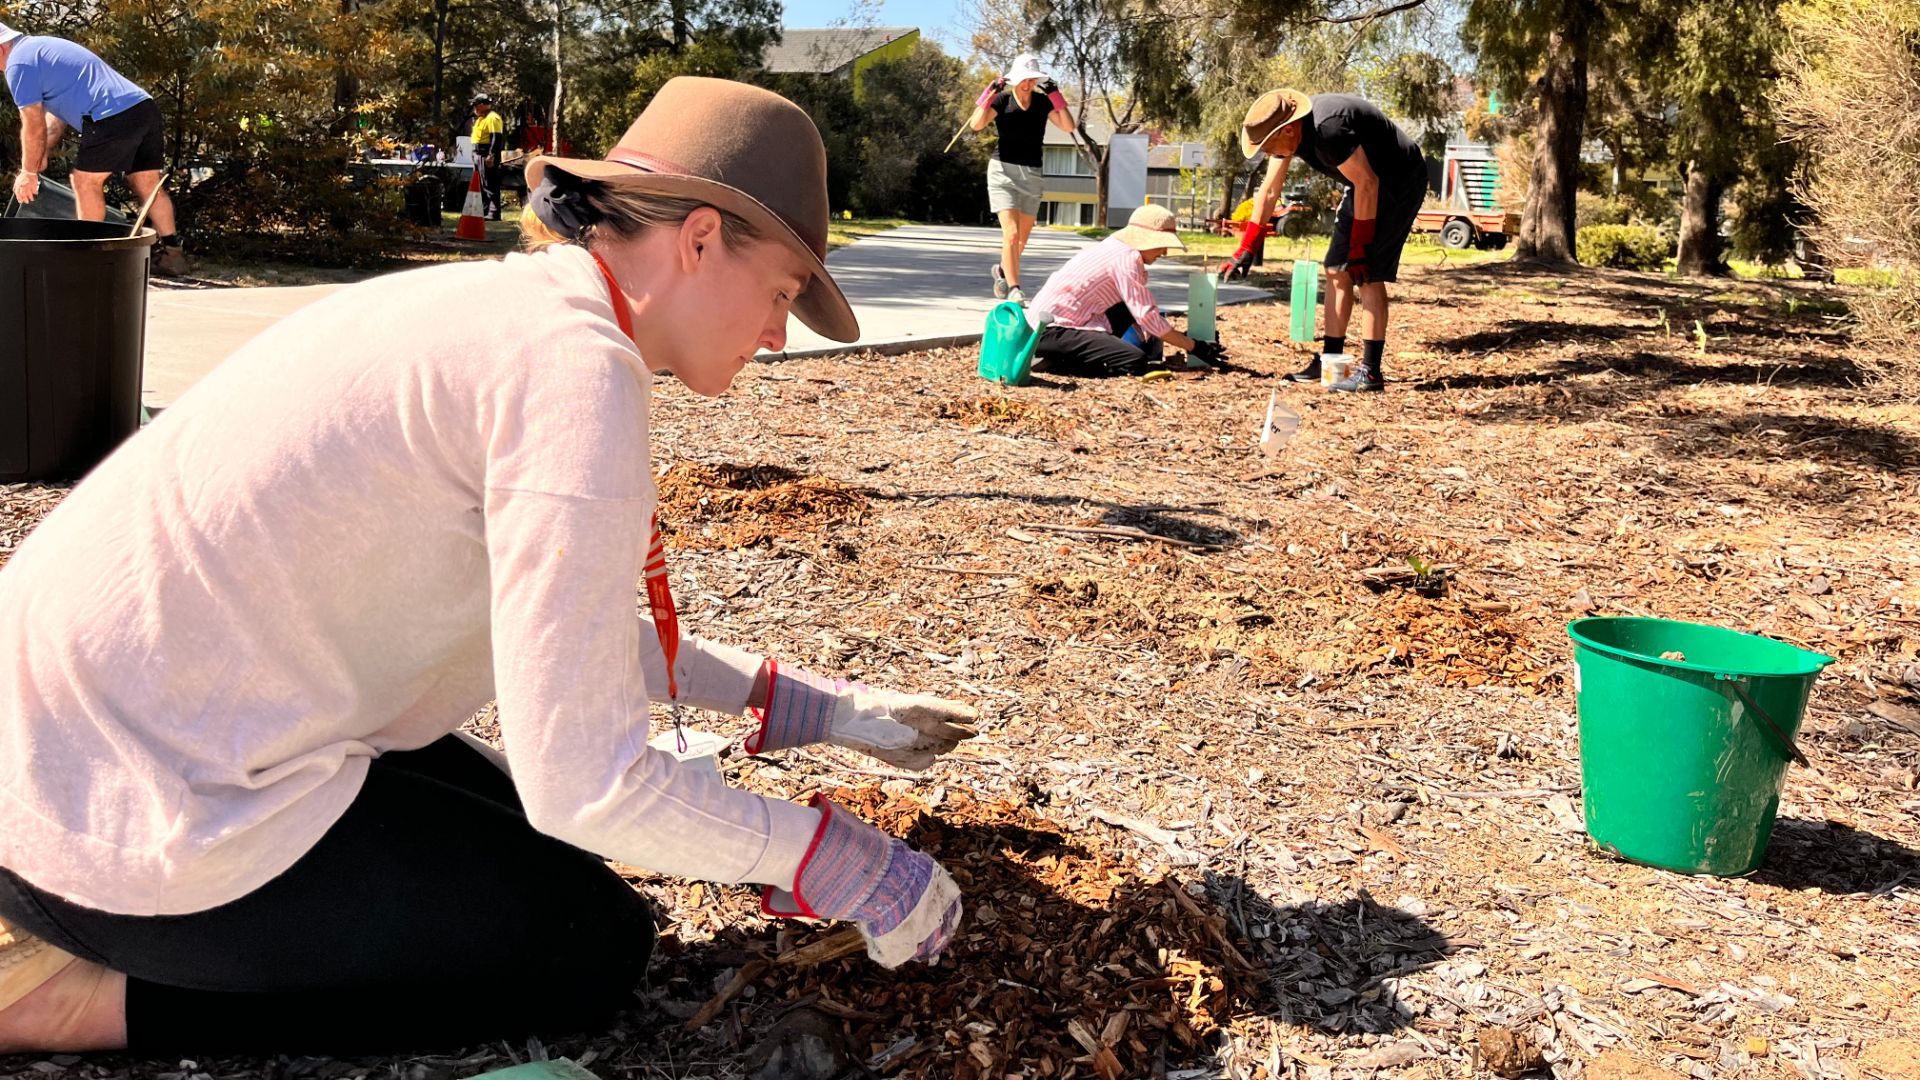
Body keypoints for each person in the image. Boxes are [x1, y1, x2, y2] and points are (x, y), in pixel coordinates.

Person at [0, 77, 975, 1058]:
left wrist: (804, 703)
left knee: (534, 853)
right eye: (781, 291)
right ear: (701, 239)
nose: (777, 330)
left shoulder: (515, 316)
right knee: (587, 950)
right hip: (103, 812)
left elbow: (566, 621)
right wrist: (834, 861)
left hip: (96, 730)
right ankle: (60, 999)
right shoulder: (573, 378)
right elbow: (587, 785)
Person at [1221, 89, 1426, 393]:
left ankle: (1371, 373)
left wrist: (1359, 248)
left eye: (1268, 146)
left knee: (1366, 273)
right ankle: (1333, 365)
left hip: (1398, 180)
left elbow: (1369, 182)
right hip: (1363, 184)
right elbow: (1268, 192)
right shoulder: (1288, 136)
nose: (1267, 154)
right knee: (1335, 271)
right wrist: (1246, 247)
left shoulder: (1328, 129)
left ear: (1288, 129)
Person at [0, 22, 186, 276]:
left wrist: (28, 173)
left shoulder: (18, 64)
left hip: (111, 115)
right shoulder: (40, 49)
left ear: (1, 48)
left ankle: (89, 260)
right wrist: (37, 158)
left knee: (85, 182)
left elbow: (32, 123)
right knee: (147, 182)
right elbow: (52, 124)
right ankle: (174, 255)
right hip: (143, 108)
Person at [1029, 204, 1226, 378]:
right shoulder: (1126, 259)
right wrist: (1194, 346)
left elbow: (1139, 312)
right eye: (1163, 245)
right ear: (1148, 240)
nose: (1164, 253)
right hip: (1052, 331)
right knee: (1134, 361)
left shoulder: (1114, 248)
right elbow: (1147, 317)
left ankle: (1060, 355)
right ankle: (1058, 362)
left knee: (1126, 309)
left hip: (1048, 327)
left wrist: (1182, 339)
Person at [967, 52, 1075, 305]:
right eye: (1023, 79)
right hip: (1002, 171)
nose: (1027, 84)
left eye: (1032, 79)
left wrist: (1055, 95)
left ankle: (1003, 271)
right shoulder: (1003, 100)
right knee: (1012, 235)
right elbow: (976, 124)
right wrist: (988, 94)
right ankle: (1015, 288)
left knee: (1022, 239)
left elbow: (1069, 126)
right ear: (1015, 80)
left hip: (1032, 174)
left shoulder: (1041, 102)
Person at [469, 91, 506, 220]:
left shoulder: (493, 118)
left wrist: (491, 155)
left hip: (486, 153)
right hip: (478, 153)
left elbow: (496, 138)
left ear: (483, 105)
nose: (475, 108)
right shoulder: (481, 119)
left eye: (476, 105)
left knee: (489, 183)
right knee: (480, 183)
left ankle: (494, 213)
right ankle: (484, 210)